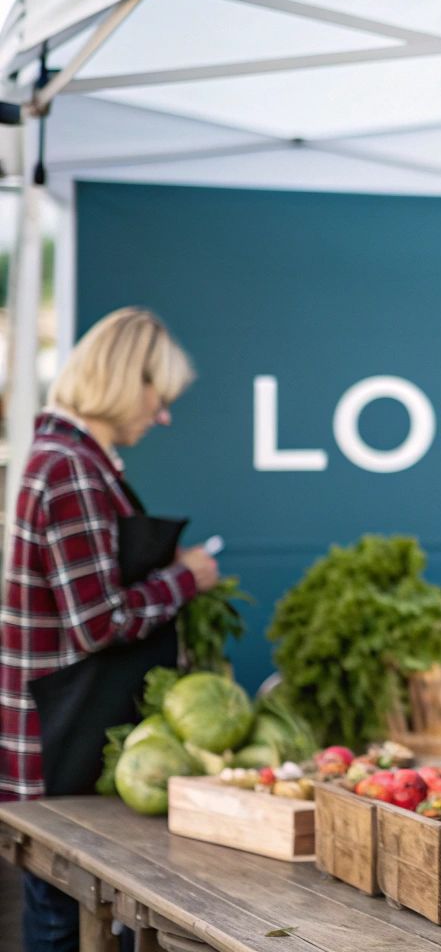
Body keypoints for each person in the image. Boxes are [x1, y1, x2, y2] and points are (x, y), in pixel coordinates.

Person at [2, 307, 219, 952]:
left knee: (64, 917)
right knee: (60, 922)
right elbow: (98, 622)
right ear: (129, 380)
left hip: (65, 739)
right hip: (59, 749)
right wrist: (187, 578)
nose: (164, 416)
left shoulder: (78, 460)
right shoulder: (69, 468)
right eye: (159, 396)